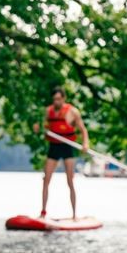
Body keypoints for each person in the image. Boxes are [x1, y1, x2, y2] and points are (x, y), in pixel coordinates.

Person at [34, 87, 89, 220]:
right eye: (54, 100)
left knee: (70, 181)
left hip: (67, 146)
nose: (56, 102)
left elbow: (83, 130)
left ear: (63, 99)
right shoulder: (48, 111)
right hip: (54, 146)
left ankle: (74, 214)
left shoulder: (72, 112)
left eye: (59, 99)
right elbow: (40, 125)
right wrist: (37, 128)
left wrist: (85, 143)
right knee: (46, 179)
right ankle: (43, 212)